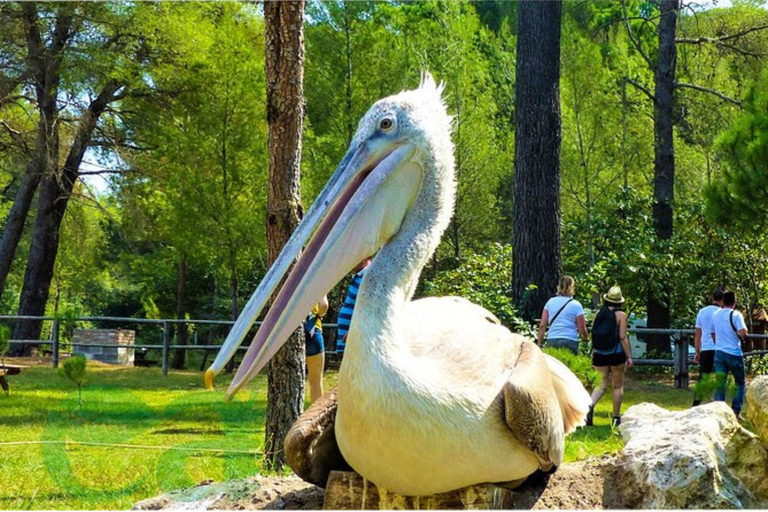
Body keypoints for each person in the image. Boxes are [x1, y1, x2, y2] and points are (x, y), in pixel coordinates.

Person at [586, 285, 634, 428]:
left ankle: (589, 407)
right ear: (620, 301)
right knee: (617, 386)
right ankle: (616, 418)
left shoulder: (598, 314)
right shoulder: (621, 316)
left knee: (600, 385)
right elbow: (622, 337)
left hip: (600, 353)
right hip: (616, 354)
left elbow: (593, 335)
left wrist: (593, 352)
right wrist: (629, 357)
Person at [712, 290, 748, 417]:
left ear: (722, 301)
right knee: (740, 382)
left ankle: (719, 410)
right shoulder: (736, 315)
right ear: (735, 302)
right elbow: (743, 332)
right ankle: (736, 410)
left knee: (720, 382)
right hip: (734, 352)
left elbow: (713, 333)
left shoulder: (716, 315)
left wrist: (718, 344)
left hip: (720, 352)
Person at [537, 276, 588, 355]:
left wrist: (540, 343)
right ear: (572, 287)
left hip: (552, 339)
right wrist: (585, 339)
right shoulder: (576, 305)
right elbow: (581, 327)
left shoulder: (550, 302)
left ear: (559, 286)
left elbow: (542, 325)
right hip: (570, 340)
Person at [692, 287, 724, 407]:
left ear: (712, 298)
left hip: (705, 347)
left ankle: (696, 401)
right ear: (722, 300)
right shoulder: (721, 313)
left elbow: (698, 333)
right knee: (720, 375)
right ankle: (718, 401)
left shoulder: (702, 311)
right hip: (719, 347)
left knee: (703, 376)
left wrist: (697, 350)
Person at [336, 257, 372, 354]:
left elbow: (370, 308)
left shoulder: (368, 277)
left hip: (355, 341)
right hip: (349, 341)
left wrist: (354, 331)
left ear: (367, 256)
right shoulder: (359, 277)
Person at [304, 295, 328, 403]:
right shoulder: (317, 280)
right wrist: (318, 315)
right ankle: (317, 417)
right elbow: (324, 305)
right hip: (313, 329)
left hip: (291, 331)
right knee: (316, 382)